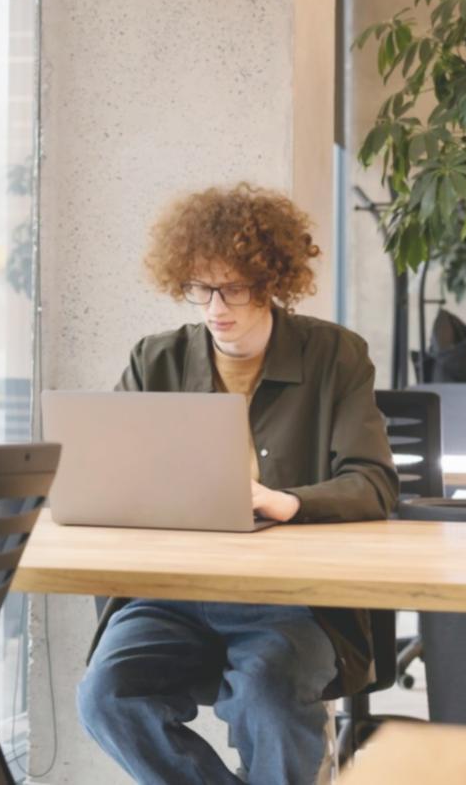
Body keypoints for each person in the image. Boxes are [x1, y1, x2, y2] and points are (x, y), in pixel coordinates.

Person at [75, 183, 397, 785]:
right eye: (201, 287)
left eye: (235, 287)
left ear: (272, 280)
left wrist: (289, 501)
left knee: (269, 698)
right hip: (168, 592)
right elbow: (110, 474)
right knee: (106, 696)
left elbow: (374, 483)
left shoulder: (334, 354)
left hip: (287, 598)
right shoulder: (157, 359)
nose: (216, 305)